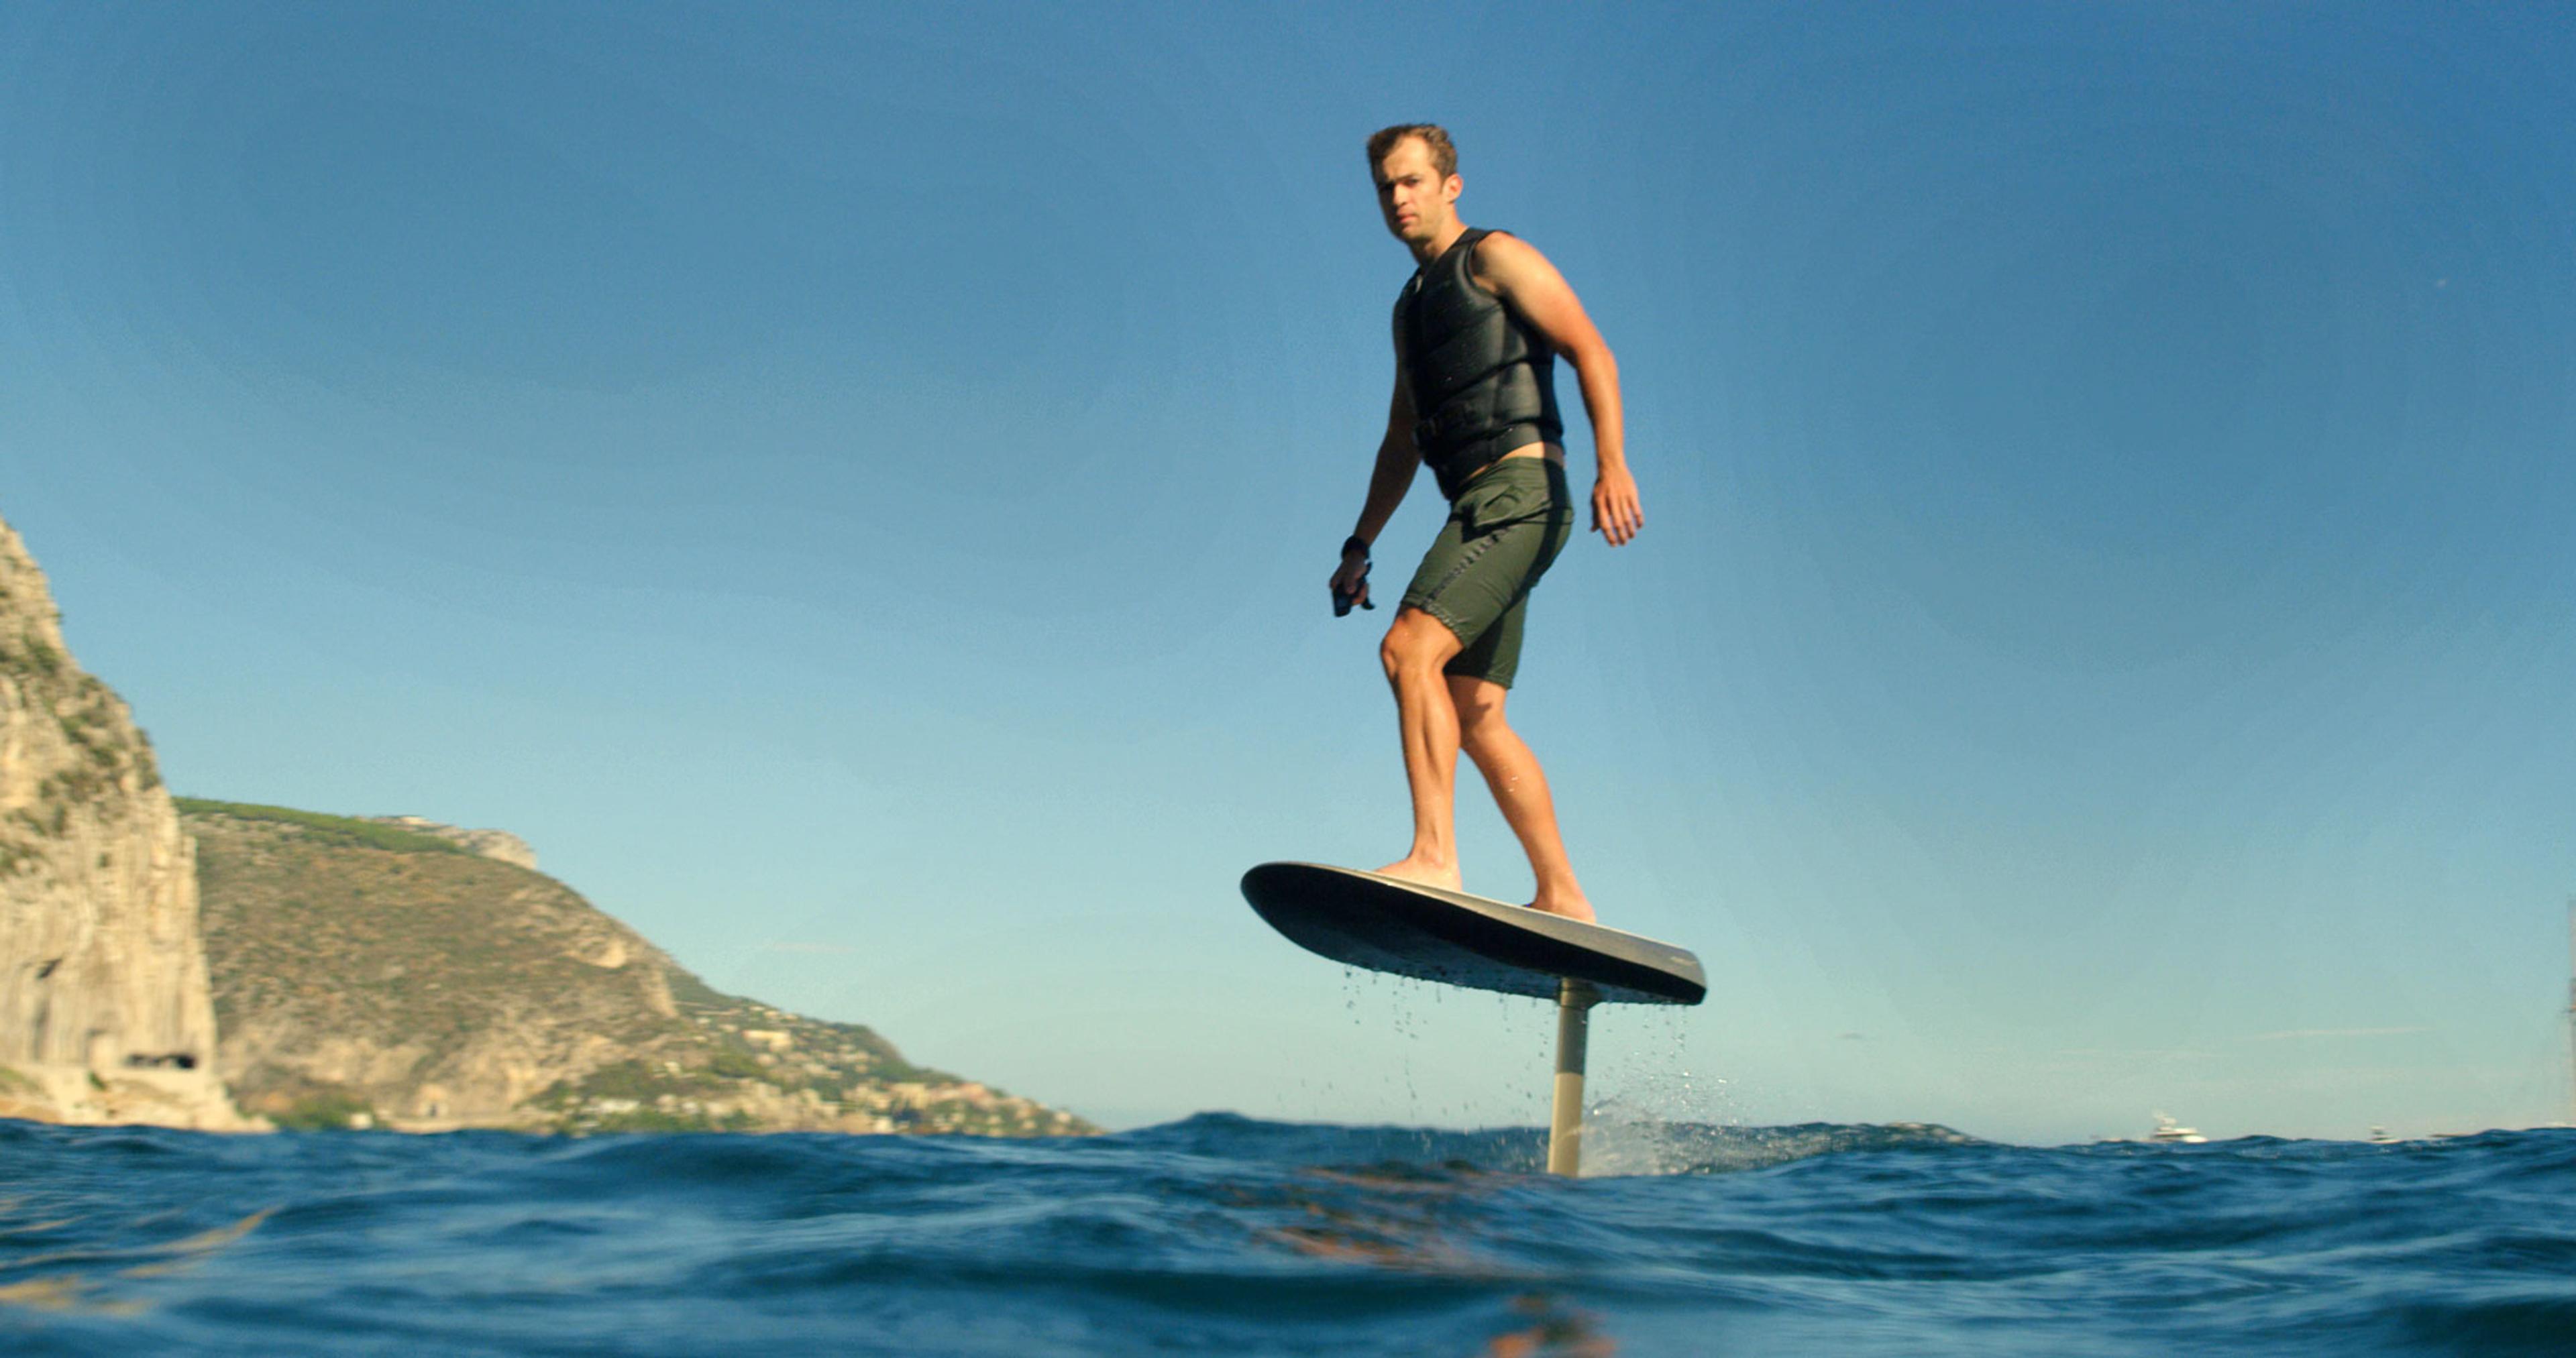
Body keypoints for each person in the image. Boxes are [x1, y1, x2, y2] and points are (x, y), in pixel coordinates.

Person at [1330, 123, 1641, 923]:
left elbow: (1592, 351)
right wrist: (1361, 542)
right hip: (1477, 504)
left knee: (1408, 649)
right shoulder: (1410, 311)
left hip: (1520, 490)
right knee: (1474, 710)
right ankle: (1565, 896)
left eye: (1412, 181)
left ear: (1449, 185)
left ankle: (1435, 858)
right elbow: (1401, 440)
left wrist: (1614, 464)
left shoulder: (1494, 257)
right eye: (1386, 188)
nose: (1399, 198)